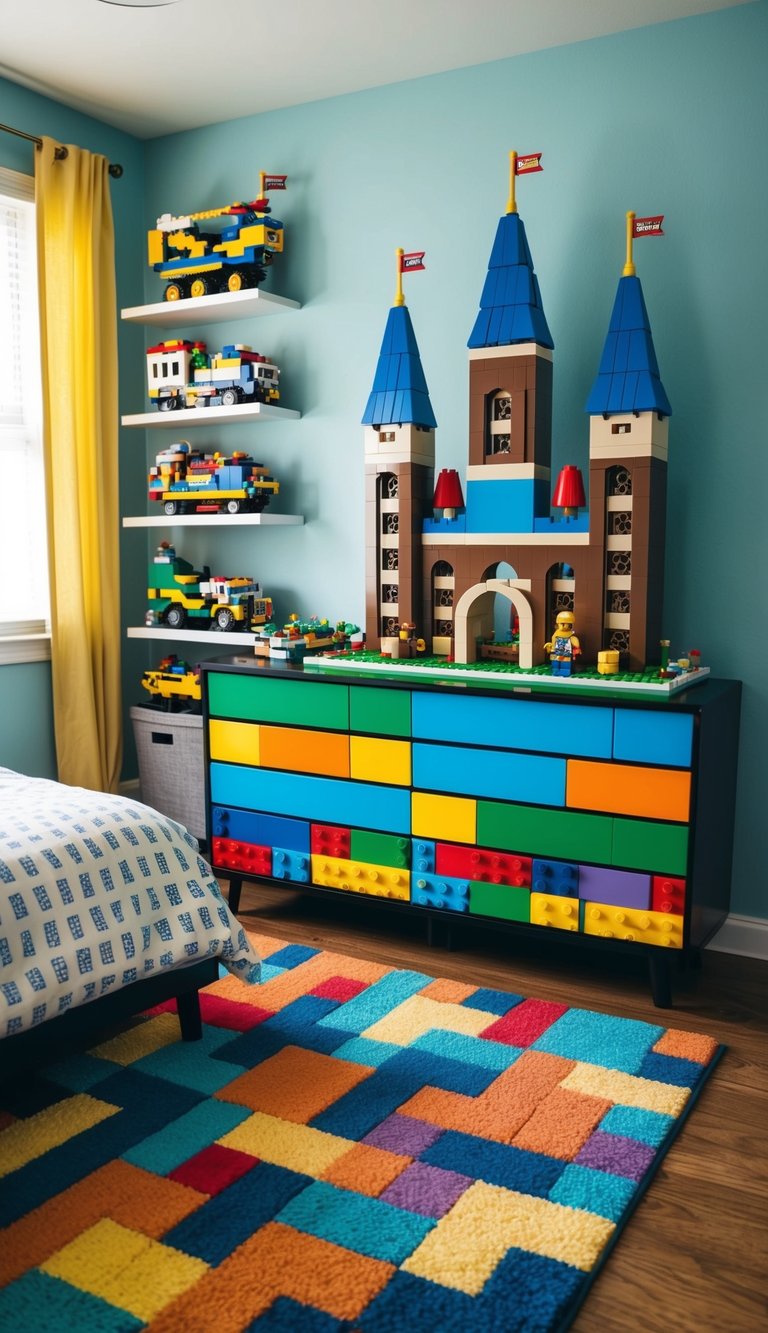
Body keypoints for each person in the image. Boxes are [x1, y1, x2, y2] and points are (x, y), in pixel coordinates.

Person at [544, 610, 581, 676]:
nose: (563, 626)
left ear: (570, 625)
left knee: (565, 664)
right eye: (561, 624)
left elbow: (575, 642)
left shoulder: (570, 635)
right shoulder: (556, 634)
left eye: (565, 624)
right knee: (555, 664)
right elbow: (553, 643)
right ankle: (555, 670)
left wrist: (576, 647)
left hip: (566, 653)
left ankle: (565, 671)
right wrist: (550, 647)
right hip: (555, 652)